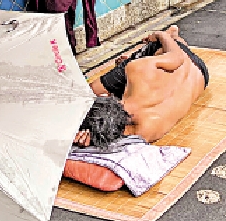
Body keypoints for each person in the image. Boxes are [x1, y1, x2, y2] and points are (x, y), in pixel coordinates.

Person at [73, 25, 209, 148]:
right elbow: (177, 56)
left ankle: (170, 35)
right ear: (109, 98)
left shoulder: (144, 130)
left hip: (201, 75)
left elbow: (119, 134)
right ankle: (172, 35)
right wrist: (161, 35)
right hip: (191, 66)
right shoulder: (139, 69)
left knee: (91, 90)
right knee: (94, 88)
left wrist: (93, 137)